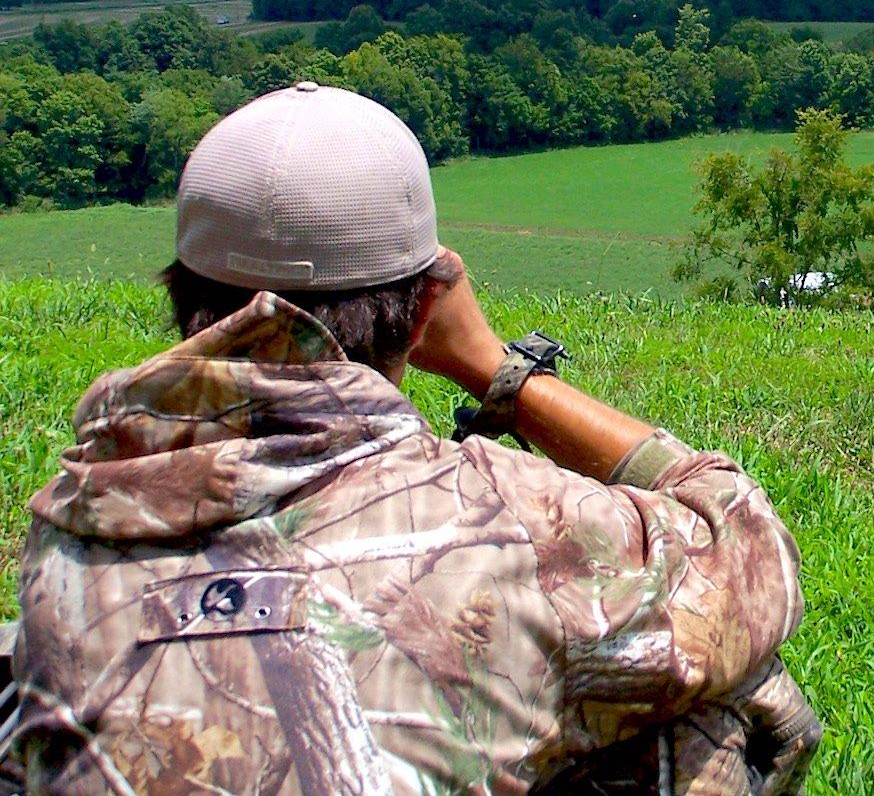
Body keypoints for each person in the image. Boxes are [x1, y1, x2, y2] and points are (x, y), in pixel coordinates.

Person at [11, 83, 821, 795]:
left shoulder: (76, 516)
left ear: (183, 294)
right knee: (739, 693)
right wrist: (499, 372)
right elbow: (748, 545)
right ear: (429, 304)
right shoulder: (511, 524)